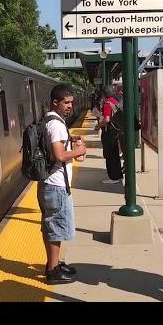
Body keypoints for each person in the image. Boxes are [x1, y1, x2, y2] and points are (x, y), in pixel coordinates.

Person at [38, 83, 87, 283]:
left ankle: (53, 264)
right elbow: (59, 155)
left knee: (52, 226)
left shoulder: (50, 120)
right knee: (55, 228)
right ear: (55, 102)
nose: (70, 107)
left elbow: (54, 145)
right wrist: (79, 151)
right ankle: (53, 271)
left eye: (71, 103)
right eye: (66, 103)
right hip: (55, 185)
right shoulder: (56, 124)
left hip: (50, 183)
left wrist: (70, 137)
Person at [95, 86, 122, 184]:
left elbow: (106, 119)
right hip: (115, 131)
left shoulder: (107, 104)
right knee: (115, 154)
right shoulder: (115, 101)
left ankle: (113, 177)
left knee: (109, 154)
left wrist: (98, 126)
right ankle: (118, 175)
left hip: (108, 132)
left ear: (104, 94)